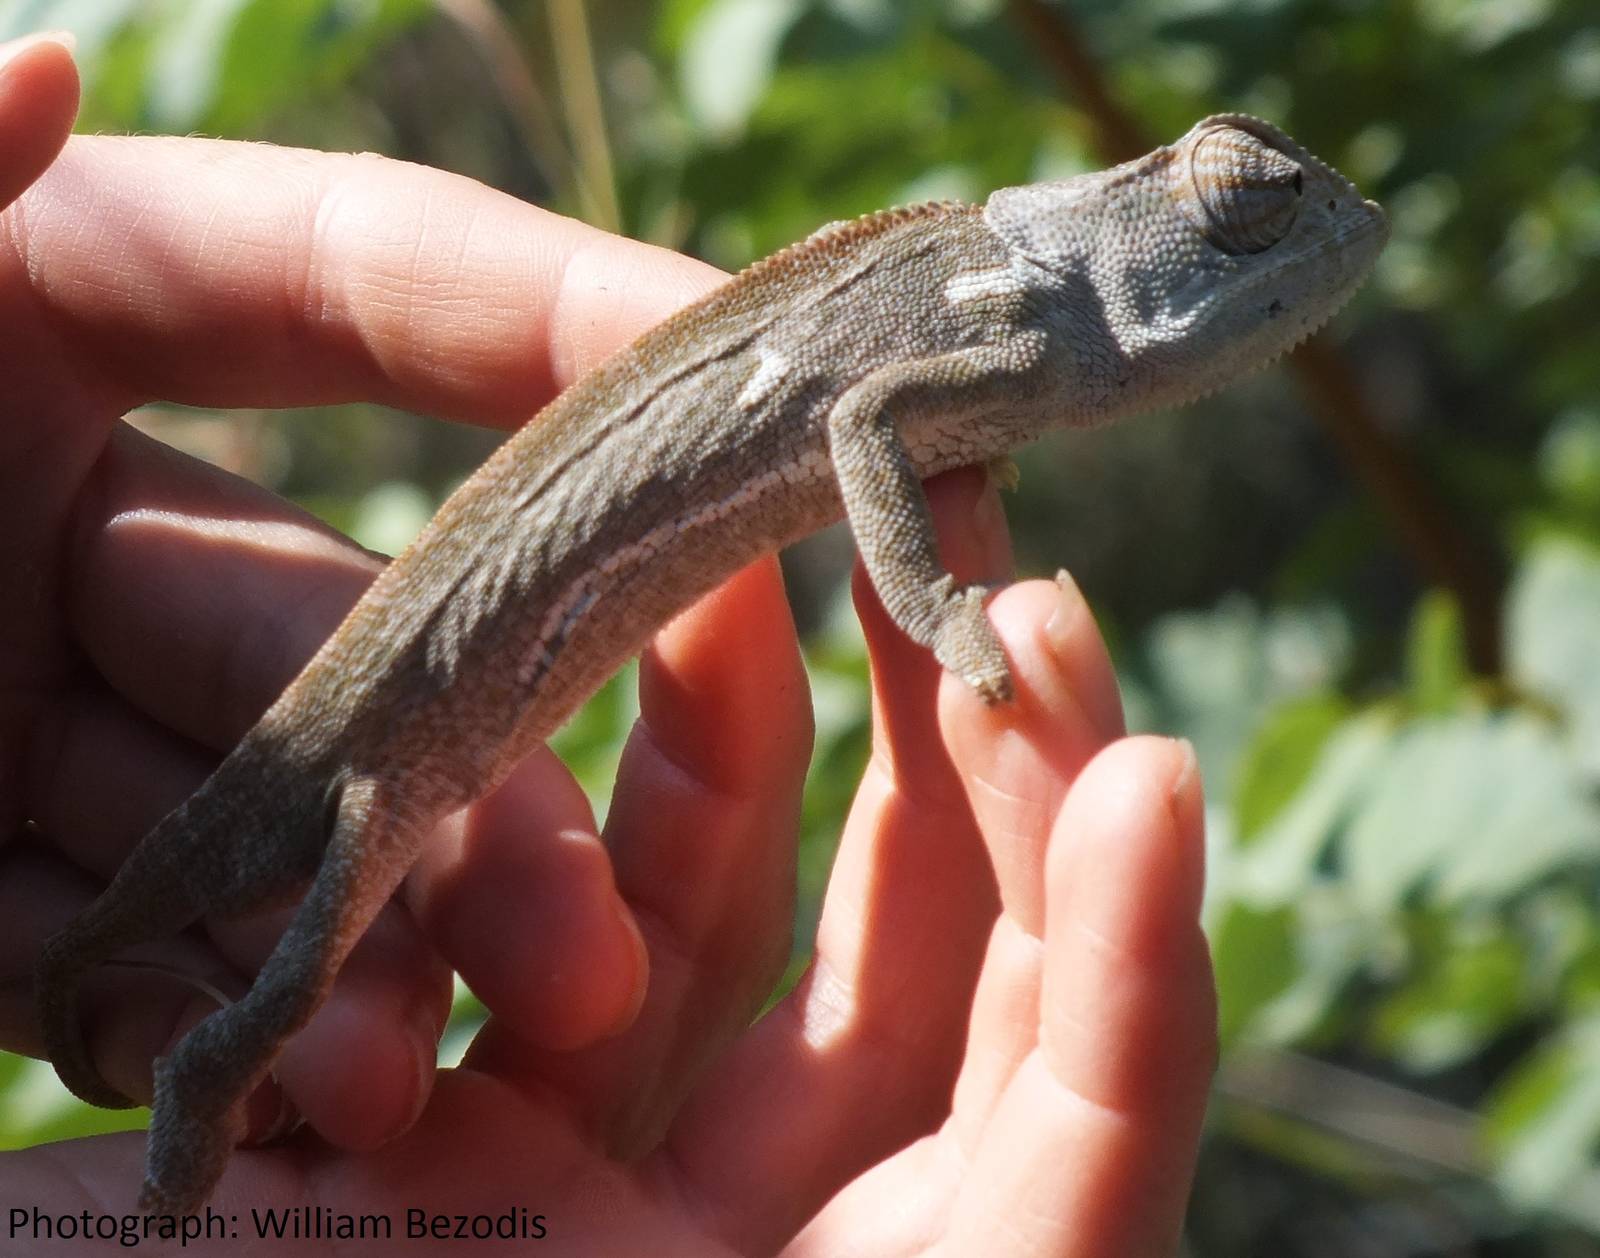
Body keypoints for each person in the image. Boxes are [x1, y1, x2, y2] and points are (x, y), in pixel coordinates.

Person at [0, 31, 1214, 1255]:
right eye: (1238, 205)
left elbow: (882, 407)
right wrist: (928, 602)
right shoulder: (1030, 309)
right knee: (289, 979)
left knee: (295, 971)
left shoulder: (1019, 303)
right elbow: (865, 415)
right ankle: (174, 1160)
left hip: (457, 652)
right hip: (382, 729)